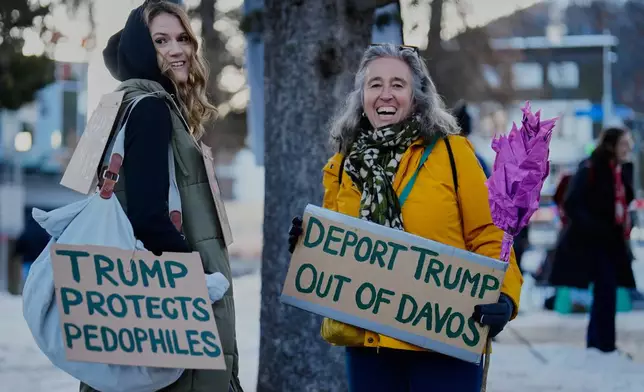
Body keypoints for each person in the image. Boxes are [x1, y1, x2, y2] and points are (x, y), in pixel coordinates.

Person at [288, 43, 523, 392]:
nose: (386, 94)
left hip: (444, 338)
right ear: (362, 96)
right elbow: (341, 248)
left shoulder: (452, 153)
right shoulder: (343, 164)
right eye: (375, 84)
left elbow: (488, 232)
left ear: (417, 95)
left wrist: (503, 296)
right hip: (371, 344)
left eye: (397, 84)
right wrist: (310, 243)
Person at [86, 1, 243, 391]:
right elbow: (148, 216)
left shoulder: (124, 105)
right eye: (161, 41)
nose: (178, 50)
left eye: (183, 38)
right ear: (141, 48)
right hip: (173, 301)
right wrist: (198, 276)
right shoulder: (151, 109)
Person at [549, 126, 636, 353]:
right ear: (610, 146)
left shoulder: (620, 171)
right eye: (624, 144)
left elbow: (625, 202)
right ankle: (603, 344)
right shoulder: (591, 169)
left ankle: (600, 342)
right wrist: (595, 227)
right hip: (595, 241)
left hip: (614, 241)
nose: (628, 149)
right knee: (605, 289)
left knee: (606, 290)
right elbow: (572, 203)